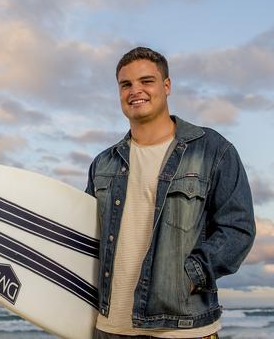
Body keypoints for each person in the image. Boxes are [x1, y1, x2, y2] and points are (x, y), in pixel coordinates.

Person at [85, 47, 255, 338]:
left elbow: (237, 229)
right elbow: (88, 237)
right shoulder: (104, 163)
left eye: (146, 81)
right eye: (126, 84)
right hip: (110, 327)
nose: (135, 90)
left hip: (183, 328)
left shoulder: (212, 150)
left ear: (166, 86)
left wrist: (188, 277)